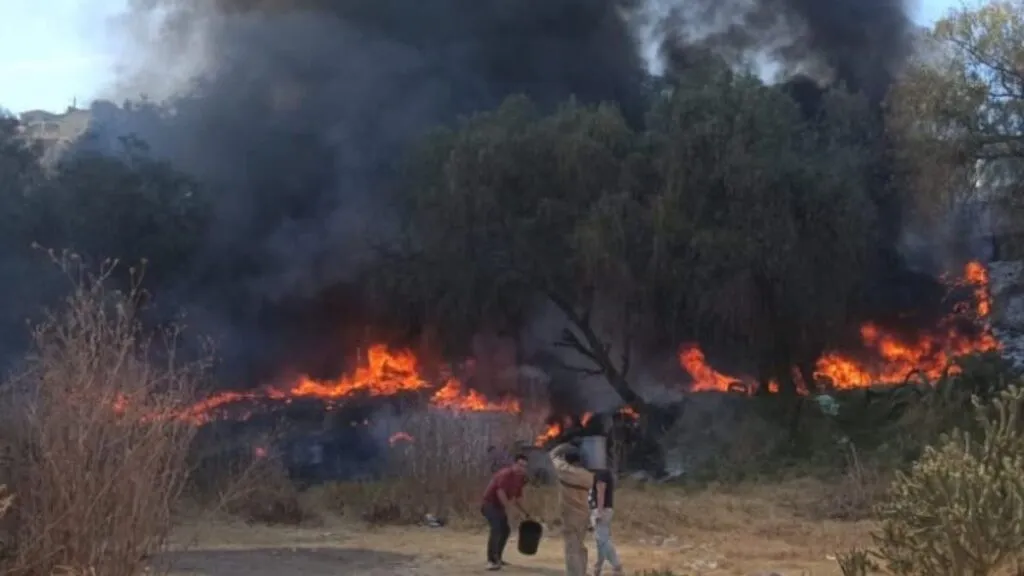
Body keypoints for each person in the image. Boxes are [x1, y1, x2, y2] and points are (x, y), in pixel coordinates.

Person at [549, 442, 594, 576]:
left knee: (571, 548)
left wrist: (564, 445)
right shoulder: (588, 476)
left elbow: (552, 456)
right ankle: (582, 571)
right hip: (585, 515)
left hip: (570, 516)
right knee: (580, 546)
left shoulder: (564, 470)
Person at [481, 452, 531, 571]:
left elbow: (518, 497)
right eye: (519, 465)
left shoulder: (520, 479)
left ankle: (498, 557)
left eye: (524, 466)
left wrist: (526, 512)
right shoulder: (505, 474)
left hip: (499, 507)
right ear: (514, 464)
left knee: (505, 530)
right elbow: (500, 492)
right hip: (489, 504)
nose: (521, 468)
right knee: (497, 528)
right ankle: (491, 561)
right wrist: (510, 509)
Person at [589, 467, 624, 576]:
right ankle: (597, 567)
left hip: (602, 509)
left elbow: (601, 492)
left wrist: (599, 512)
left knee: (602, 539)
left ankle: (616, 564)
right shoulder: (602, 472)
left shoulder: (600, 472)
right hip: (603, 509)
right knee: (600, 541)